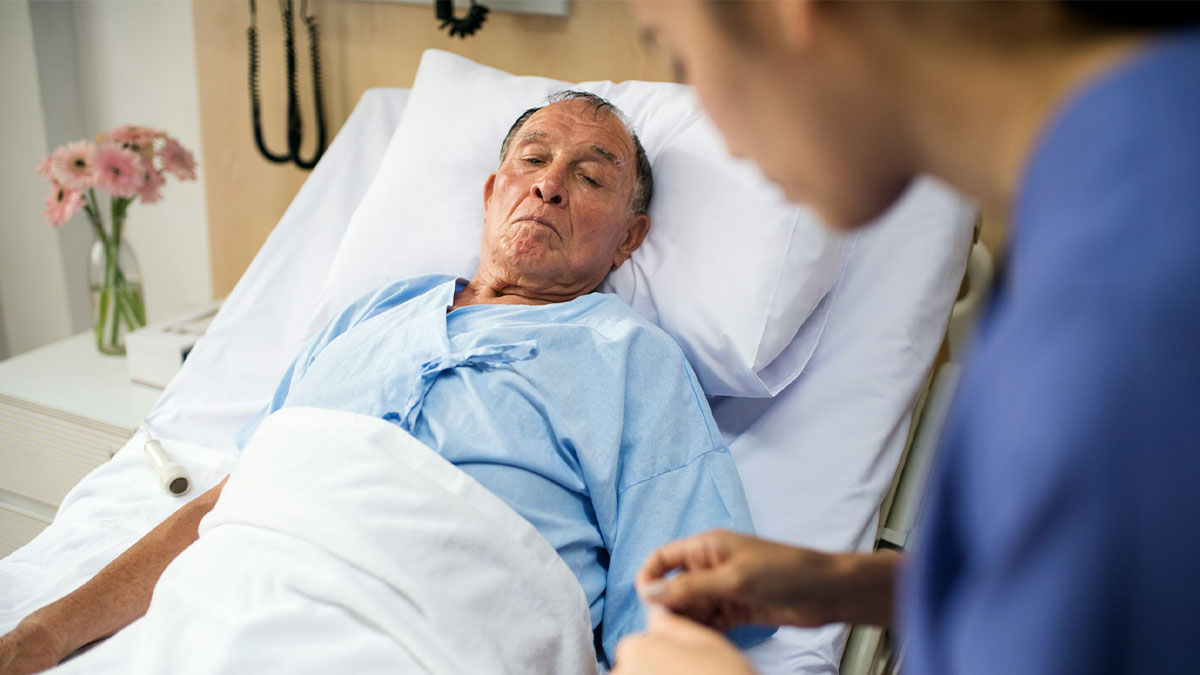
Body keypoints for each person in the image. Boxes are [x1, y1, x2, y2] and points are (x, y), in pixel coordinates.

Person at [0, 91, 770, 674]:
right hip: (232, 597)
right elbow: (236, 499)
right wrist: (40, 634)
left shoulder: (633, 358)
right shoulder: (370, 314)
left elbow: (678, 605)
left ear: (629, 238)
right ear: (490, 192)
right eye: (532, 161)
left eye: (590, 176)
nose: (550, 185)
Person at [617, 2, 1200, 674]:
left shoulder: (1115, 314)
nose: (720, 136)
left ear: (784, 13)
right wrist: (842, 585)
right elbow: (1106, 586)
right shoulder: (1139, 155)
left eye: (679, 56)